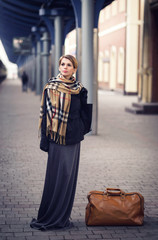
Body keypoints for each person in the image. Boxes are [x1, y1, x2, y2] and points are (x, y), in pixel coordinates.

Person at [30, 55, 92, 230]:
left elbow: (85, 115)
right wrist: (45, 140)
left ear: (74, 69)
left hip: (72, 139)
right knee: (57, 177)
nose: (65, 67)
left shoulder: (80, 90)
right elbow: (45, 116)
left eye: (69, 65)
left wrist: (79, 129)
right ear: (59, 67)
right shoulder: (50, 87)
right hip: (56, 139)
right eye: (62, 64)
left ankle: (62, 218)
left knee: (68, 178)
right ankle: (50, 216)